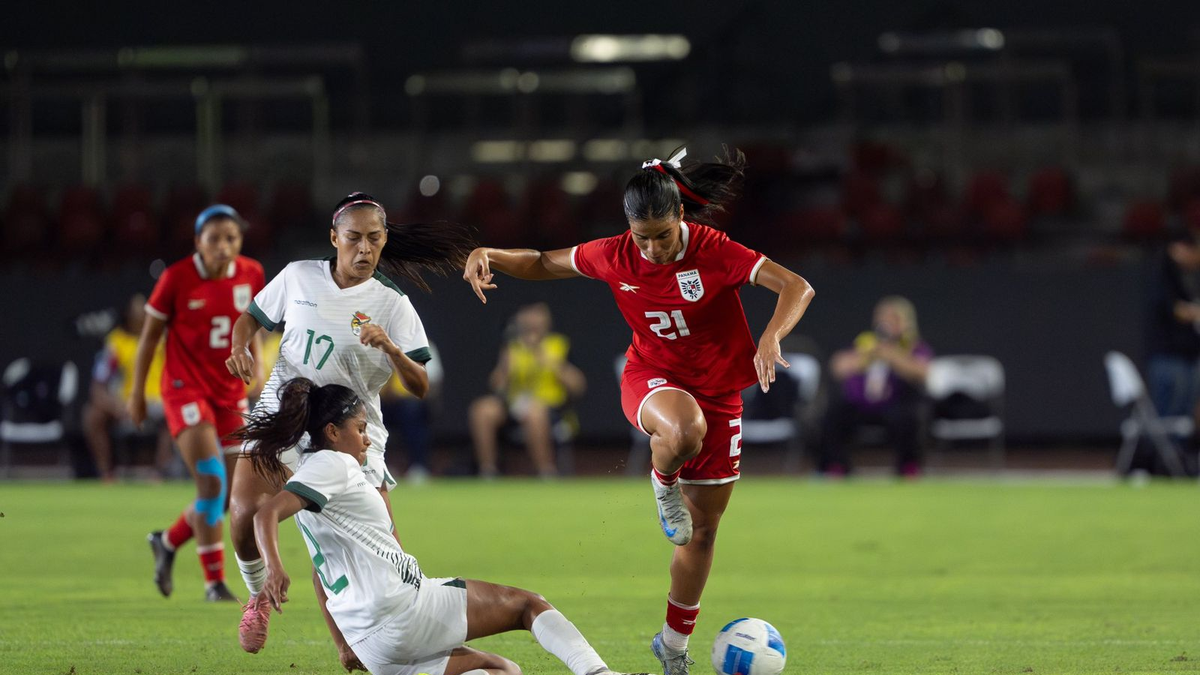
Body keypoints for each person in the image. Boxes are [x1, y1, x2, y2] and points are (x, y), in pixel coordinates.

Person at [462, 147, 815, 675]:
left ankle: (673, 646)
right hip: (652, 378)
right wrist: (490, 251)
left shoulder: (716, 250)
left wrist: (770, 336)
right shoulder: (616, 253)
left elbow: (796, 285)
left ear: (680, 218)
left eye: (662, 236)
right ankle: (661, 480)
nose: (651, 248)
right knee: (682, 427)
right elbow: (542, 261)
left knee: (703, 533)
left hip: (720, 392)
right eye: (641, 236)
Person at [237, 378, 647, 675]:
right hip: (403, 612)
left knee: (502, 670)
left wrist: (344, 647)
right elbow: (264, 514)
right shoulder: (333, 463)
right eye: (360, 429)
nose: (365, 440)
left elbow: (320, 575)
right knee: (529, 605)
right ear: (332, 432)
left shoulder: (312, 474)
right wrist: (273, 567)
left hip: (372, 645)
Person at [223, 192, 475, 654]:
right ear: (334, 237)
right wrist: (240, 347)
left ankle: (402, 638)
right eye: (355, 238)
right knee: (241, 515)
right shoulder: (299, 276)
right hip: (283, 415)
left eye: (375, 240)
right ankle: (258, 596)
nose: (364, 249)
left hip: (348, 434)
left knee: (380, 552)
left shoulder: (392, 304)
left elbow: (420, 385)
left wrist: (393, 351)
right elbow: (249, 320)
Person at [131, 205, 266, 601]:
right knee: (210, 483)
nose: (223, 247)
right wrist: (138, 394)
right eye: (214, 239)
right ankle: (214, 584)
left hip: (229, 393)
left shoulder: (251, 272)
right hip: (184, 388)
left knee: (224, 497)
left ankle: (168, 541)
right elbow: (149, 339)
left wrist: (255, 363)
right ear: (197, 242)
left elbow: (253, 321)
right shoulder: (176, 278)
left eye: (231, 239)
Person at [469, 302, 586, 478]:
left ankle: (546, 472)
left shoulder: (559, 344)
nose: (532, 320)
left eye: (538, 315)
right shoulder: (511, 347)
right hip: (513, 405)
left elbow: (578, 386)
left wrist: (545, 358)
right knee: (482, 410)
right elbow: (496, 386)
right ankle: (488, 471)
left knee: (533, 411)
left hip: (550, 407)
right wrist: (505, 367)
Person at [819, 296, 932, 477]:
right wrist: (867, 356)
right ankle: (836, 466)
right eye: (882, 318)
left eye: (893, 318)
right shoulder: (866, 343)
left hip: (895, 405)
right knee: (834, 412)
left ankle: (908, 467)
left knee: (912, 416)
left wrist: (892, 356)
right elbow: (838, 366)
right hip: (862, 405)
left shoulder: (912, 346)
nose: (886, 323)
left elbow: (923, 372)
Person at [82, 293, 172, 481]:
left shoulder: (163, 339)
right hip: (125, 402)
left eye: (144, 314)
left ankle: (159, 473)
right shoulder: (116, 342)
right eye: (136, 314)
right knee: (92, 415)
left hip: (157, 402)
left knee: (176, 413)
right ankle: (106, 473)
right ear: (128, 316)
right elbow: (98, 383)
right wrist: (114, 405)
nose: (140, 318)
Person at [1145, 236, 1200, 419]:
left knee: (1185, 409)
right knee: (1170, 410)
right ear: (1179, 247)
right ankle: (1165, 447)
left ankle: (1178, 447)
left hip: (1188, 353)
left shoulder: (1189, 276)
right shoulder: (1163, 273)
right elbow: (1175, 310)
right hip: (1168, 355)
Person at [380, 341, 443, 484]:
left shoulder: (423, 345)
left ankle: (419, 467)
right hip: (382, 402)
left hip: (411, 403)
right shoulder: (375, 345)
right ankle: (375, 467)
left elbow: (431, 384)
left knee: (411, 410)